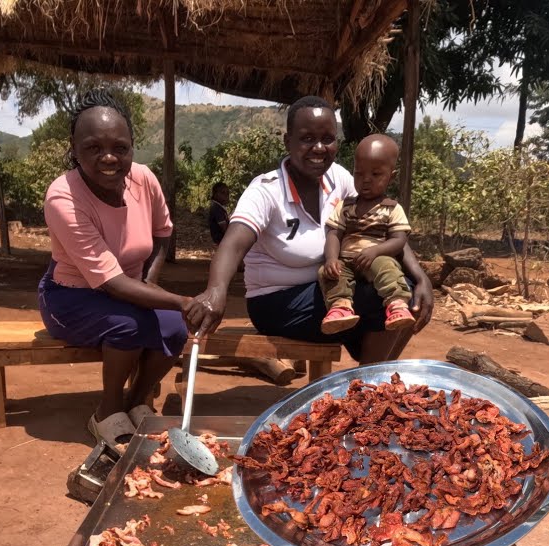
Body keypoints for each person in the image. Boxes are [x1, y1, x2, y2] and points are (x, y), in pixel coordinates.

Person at [184, 96, 433, 363]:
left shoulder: (339, 178)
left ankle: (369, 382)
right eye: (306, 138)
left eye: (327, 138)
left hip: (331, 287)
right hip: (278, 302)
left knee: (405, 292)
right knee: (392, 296)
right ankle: (368, 386)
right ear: (287, 141)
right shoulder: (266, 190)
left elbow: (385, 225)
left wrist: (422, 278)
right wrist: (216, 289)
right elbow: (233, 243)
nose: (318, 148)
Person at [38, 89, 193, 455]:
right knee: (129, 325)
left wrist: (150, 286)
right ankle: (107, 410)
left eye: (120, 148)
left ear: (132, 147)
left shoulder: (143, 179)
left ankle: (137, 399)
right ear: (74, 149)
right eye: (94, 148)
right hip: (70, 297)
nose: (110, 157)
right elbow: (109, 282)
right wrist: (182, 299)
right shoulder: (64, 198)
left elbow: (162, 234)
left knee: (174, 327)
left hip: (129, 289)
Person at [319, 133, 414, 334]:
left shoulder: (392, 209)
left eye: (376, 174)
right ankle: (340, 308)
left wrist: (376, 252)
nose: (366, 181)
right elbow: (334, 234)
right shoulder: (346, 206)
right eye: (359, 174)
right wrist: (331, 259)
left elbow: (399, 240)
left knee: (388, 267)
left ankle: (397, 304)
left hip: (375, 260)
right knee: (328, 273)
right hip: (347, 261)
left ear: (392, 176)